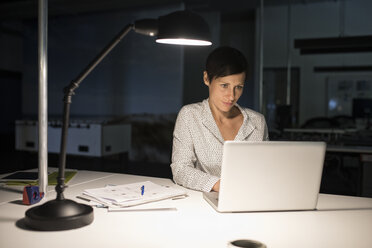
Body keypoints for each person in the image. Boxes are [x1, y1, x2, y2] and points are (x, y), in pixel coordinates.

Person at [170, 46, 269, 192]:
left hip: (250, 201)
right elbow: (180, 169)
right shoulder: (190, 116)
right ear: (206, 78)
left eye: (239, 87)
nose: (231, 96)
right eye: (224, 85)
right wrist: (219, 185)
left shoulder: (257, 122)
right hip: (202, 203)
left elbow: (266, 171)